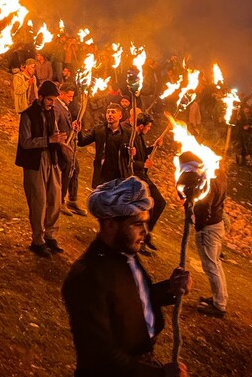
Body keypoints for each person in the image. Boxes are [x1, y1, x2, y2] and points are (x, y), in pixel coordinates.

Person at [62, 176, 191, 377]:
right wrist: (159, 375)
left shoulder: (125, 254)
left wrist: (170, 289)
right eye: (137, 224)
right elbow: (100, 357)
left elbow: (131, 298)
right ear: (110, 224)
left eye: (146, 223)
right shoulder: (86, 278)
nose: (145, 232)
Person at [15, 80, 66, 258]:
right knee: (39, 201)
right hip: (35, 162)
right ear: (41, 97)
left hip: (52, 159)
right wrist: (48, 140)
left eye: (54, 100)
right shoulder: (28, 115)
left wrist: (61, 141)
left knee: (55, 198)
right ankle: (38, 240)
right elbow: (25, 142)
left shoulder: (52, 113)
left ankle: (50, 236)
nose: (52, 103)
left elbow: (55, 133)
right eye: (50, 100)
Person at [193, 159, 228, 318]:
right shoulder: (222, 176)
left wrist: (199, 226)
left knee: (211, 266)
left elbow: (205, 206)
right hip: (217, 224)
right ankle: (219, 298)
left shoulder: (211, 180)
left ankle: (219, 305)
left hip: (209, 228)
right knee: (216, 264)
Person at [131, 113, 165, 254]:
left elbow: (142, 152)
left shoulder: (140, 137)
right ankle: (140, 238)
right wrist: (142, 164)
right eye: (148, 127)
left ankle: (147, 233)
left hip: (143, 176)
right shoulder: (131, 137)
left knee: (160, 203)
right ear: (141, 126)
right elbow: (129, 161)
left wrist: (153, 146)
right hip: (136, 178)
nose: (149, 129)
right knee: (148, 206)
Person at [77, 103, 132, 189]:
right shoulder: (99, 130)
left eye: (113, 112)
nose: (110, 114)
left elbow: (131, 154)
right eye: (108, 112)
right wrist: (78, 131)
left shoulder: (127, 133)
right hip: (102, 173)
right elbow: (81, 142)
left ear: (120, 116)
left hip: (119, 174)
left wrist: (132, 152)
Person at [54, 82, 86, 217]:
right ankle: (60, 200)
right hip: (61, 146)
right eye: (69, 96)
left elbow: (65, 123)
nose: (71, 99)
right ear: (61, 94)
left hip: (67, 145)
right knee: (67, 170)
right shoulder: (56, 107)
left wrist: (73, 127)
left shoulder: (64, 107)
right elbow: (54, 125)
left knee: (75, 169)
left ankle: (72, 200)